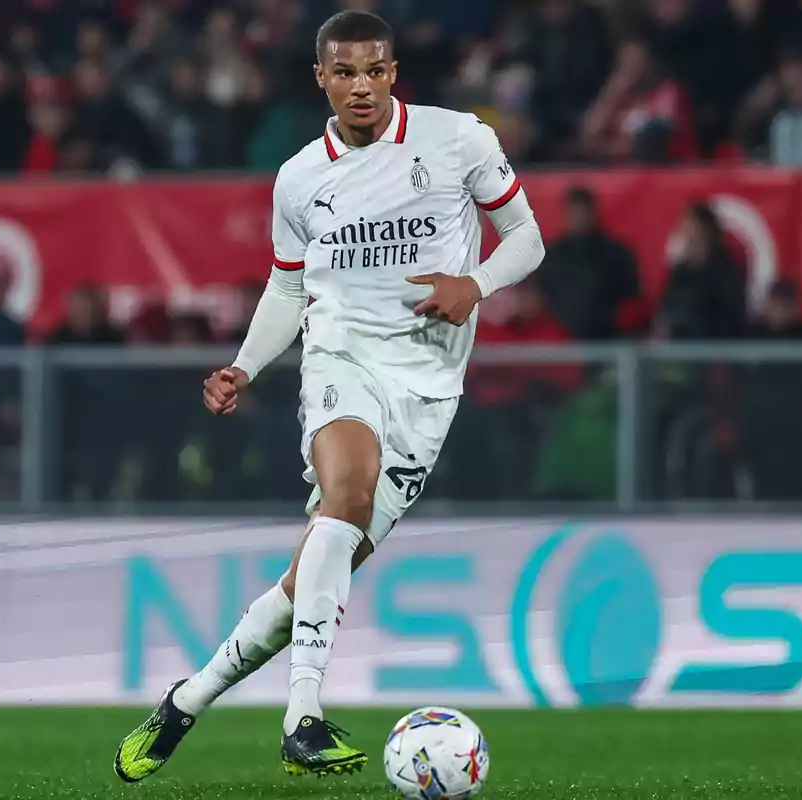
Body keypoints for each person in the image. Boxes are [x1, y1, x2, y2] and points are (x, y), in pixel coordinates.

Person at [113, 9, 544, 784]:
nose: (360, 87)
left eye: (374, 70)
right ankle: (301, 719)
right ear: (322, 78)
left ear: (392, 73)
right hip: (341, 358)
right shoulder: (299, 177)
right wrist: (245, 365)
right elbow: (287, 288)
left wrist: (472, 284)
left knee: (309, 576)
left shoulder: (457, 140)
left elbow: (528, 237)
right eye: (344, 73)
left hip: (430, 386)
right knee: (345, 495)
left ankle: (185, 700)